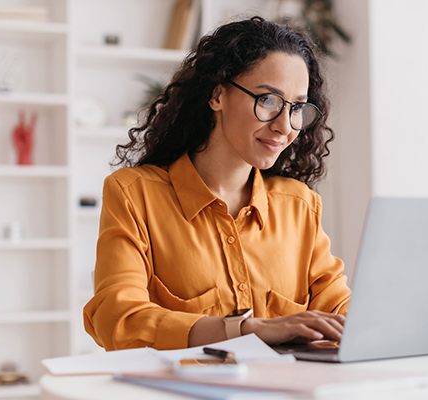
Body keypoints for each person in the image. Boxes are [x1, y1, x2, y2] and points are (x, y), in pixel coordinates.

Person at [83, 17, 351, 351]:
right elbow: (118, 319)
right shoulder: (134, 194)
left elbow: (340, 314)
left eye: (297, 107)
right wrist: (246, 330)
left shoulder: (299, 205)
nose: (285, 126)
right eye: (268, 100)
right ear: (217, 95)